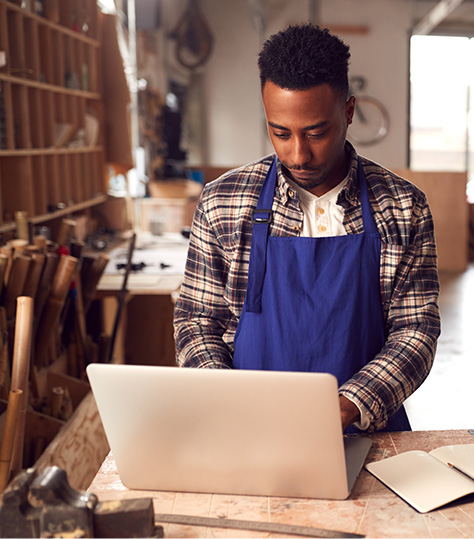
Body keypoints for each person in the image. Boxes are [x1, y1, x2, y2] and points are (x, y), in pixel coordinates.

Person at [173, 23, 440, 433]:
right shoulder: (223, 203)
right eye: (280, 133)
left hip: (367, 433)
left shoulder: (403, 207)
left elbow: (415, 329)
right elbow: (196, 321)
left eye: (316, 132)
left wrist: (353, 402)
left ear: (348, 112)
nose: (298, 154)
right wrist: (223, 394)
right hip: (250, 431)